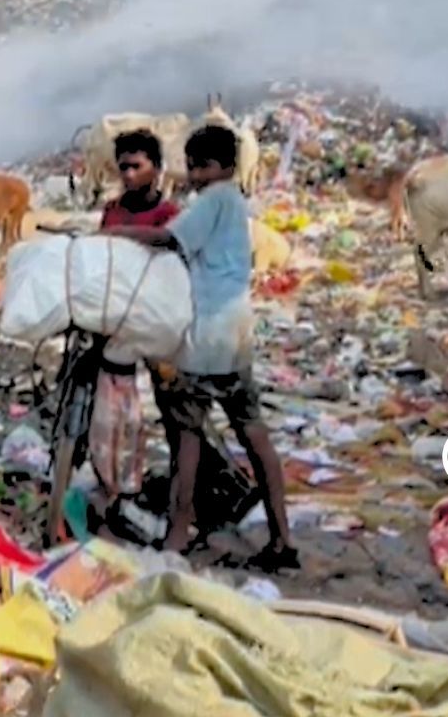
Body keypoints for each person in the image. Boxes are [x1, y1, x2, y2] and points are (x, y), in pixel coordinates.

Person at [102, 124, 297, 570]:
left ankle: (177, 535)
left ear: (225, 166)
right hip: (237, 332)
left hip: (205, 334)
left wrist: (117, 236)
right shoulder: (236, 203)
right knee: (253, 431)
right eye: (191, 165)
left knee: (185, 436)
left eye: (202, 166)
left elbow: (168, 238)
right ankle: (282, 537)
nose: (194, 174)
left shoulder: (213, 201)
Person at [88, 130, 180, 515]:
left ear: (156, 169)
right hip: (115, 319)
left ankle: (179, 486)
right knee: (109, 407)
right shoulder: (112, 210)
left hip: (155, 321)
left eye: (136, 166)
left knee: (169, 406)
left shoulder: (168, 214)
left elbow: (173, 246)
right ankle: (114, 480)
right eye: (123, 167)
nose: (128, 174)